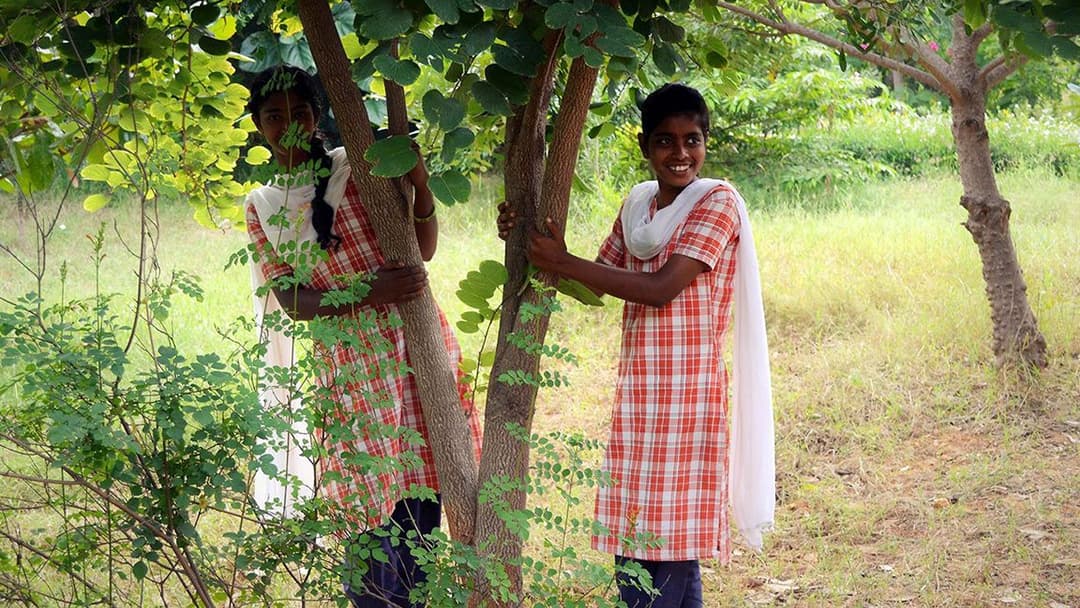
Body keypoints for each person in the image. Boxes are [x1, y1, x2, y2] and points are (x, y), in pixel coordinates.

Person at [497, 83, 774, 607]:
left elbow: (659, 288)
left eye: (692, 140)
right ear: (645, 146)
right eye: (666, 141)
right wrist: (525, 238)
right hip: (641, 396)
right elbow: (597, 279)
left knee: (669, 545)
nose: (680, 154)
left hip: (688, 397)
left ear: (705, 143)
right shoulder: (639, 205)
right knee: (636, 543)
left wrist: (560, 260)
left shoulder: (718, 202)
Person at [243, 64, 481, 608]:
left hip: (414, 346)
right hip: (349, 369)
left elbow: (422, 248)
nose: (289, 125)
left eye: (299, 112)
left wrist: (420, 185)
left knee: (420, 497)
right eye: (274, 116)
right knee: (365, 509)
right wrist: (368, 292)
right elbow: (292, 301)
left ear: (318, 114)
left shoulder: (361, 168)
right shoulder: (262, 207)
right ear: (259, 126)